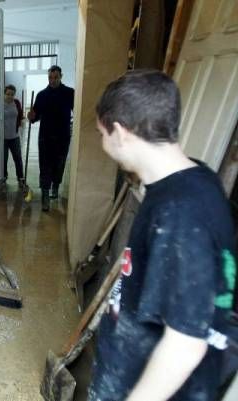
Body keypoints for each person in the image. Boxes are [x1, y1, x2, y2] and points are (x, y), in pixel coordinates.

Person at [89, 69, 237, 401]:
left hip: (143, 384)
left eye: (102, 133)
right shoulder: (195, 178)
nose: (103, 143)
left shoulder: (180, 214)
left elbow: (184, 345)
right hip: (130, 361)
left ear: (121, 133)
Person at [27, 65, 74, 211]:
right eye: (50, 78)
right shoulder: (42, 95)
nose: (52, 80)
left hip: (63, 136)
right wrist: (32, 117)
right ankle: (45, 195)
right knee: (45, 166)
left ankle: (56, 186)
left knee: (59, 165)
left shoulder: (70, 93)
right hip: (45, 137)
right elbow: (35, 116)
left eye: (55, 77)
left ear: (61, 76)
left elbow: (77, 110)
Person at [3, 84, 25, 187]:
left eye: (12, 94)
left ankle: (20, 178)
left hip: (15, 136)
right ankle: (3, 178)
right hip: (3, 138)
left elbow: (20, 115)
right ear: (4, 94)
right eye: (8, 94)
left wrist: (19, 125)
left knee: (18, 158)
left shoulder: (16, 103)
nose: (10, 96)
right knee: (3, 159)